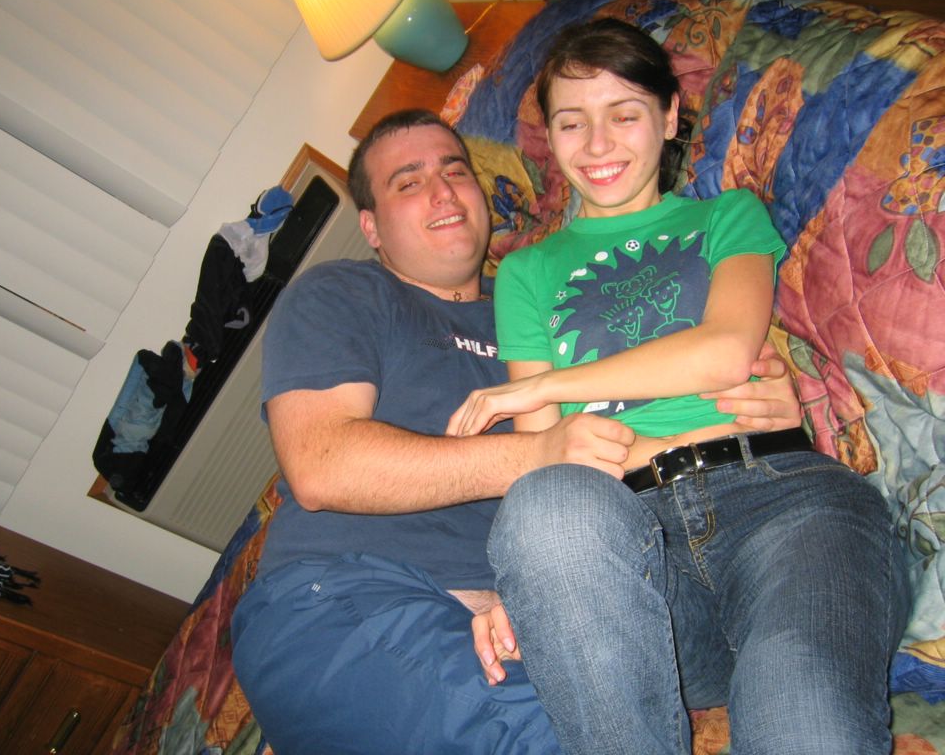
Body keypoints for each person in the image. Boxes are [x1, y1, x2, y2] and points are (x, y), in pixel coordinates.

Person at [230, 108, 805, 755]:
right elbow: (323, 464)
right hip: (339, 595)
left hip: (523, 615)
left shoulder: (541, 301)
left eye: (456, 171)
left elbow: (656, 406)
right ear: (371, 227)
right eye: (409, 182)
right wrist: (536, 454)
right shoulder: (341, 294)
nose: (444, 192)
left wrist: (752, 419)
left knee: (618, 718)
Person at [449, 19, 910, 755]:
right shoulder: (526, 274)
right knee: (546, 504)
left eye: (623, 114)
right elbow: (552, 462)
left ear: (669, 117)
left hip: (783, 508)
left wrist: (545, 388)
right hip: (637, 557)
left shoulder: (726, 216)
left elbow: (724, 352)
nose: (597, 145)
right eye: (572, 122)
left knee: (803, 725)